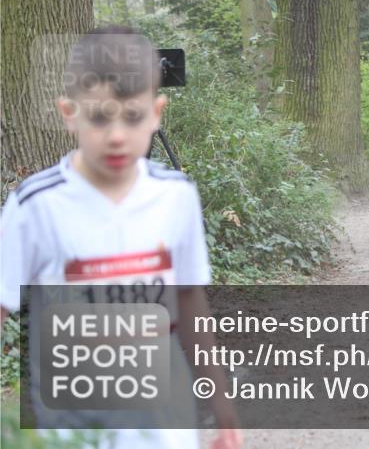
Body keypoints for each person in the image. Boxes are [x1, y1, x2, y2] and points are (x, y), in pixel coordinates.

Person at [0, 27, 242, 449]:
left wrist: (223, 410)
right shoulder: (34, 204)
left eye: (132, 116)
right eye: (98, 116)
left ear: (156, 112)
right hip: (75, 429)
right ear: (68, 112)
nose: (116, 135)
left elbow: (191, 302)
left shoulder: (176, 195)